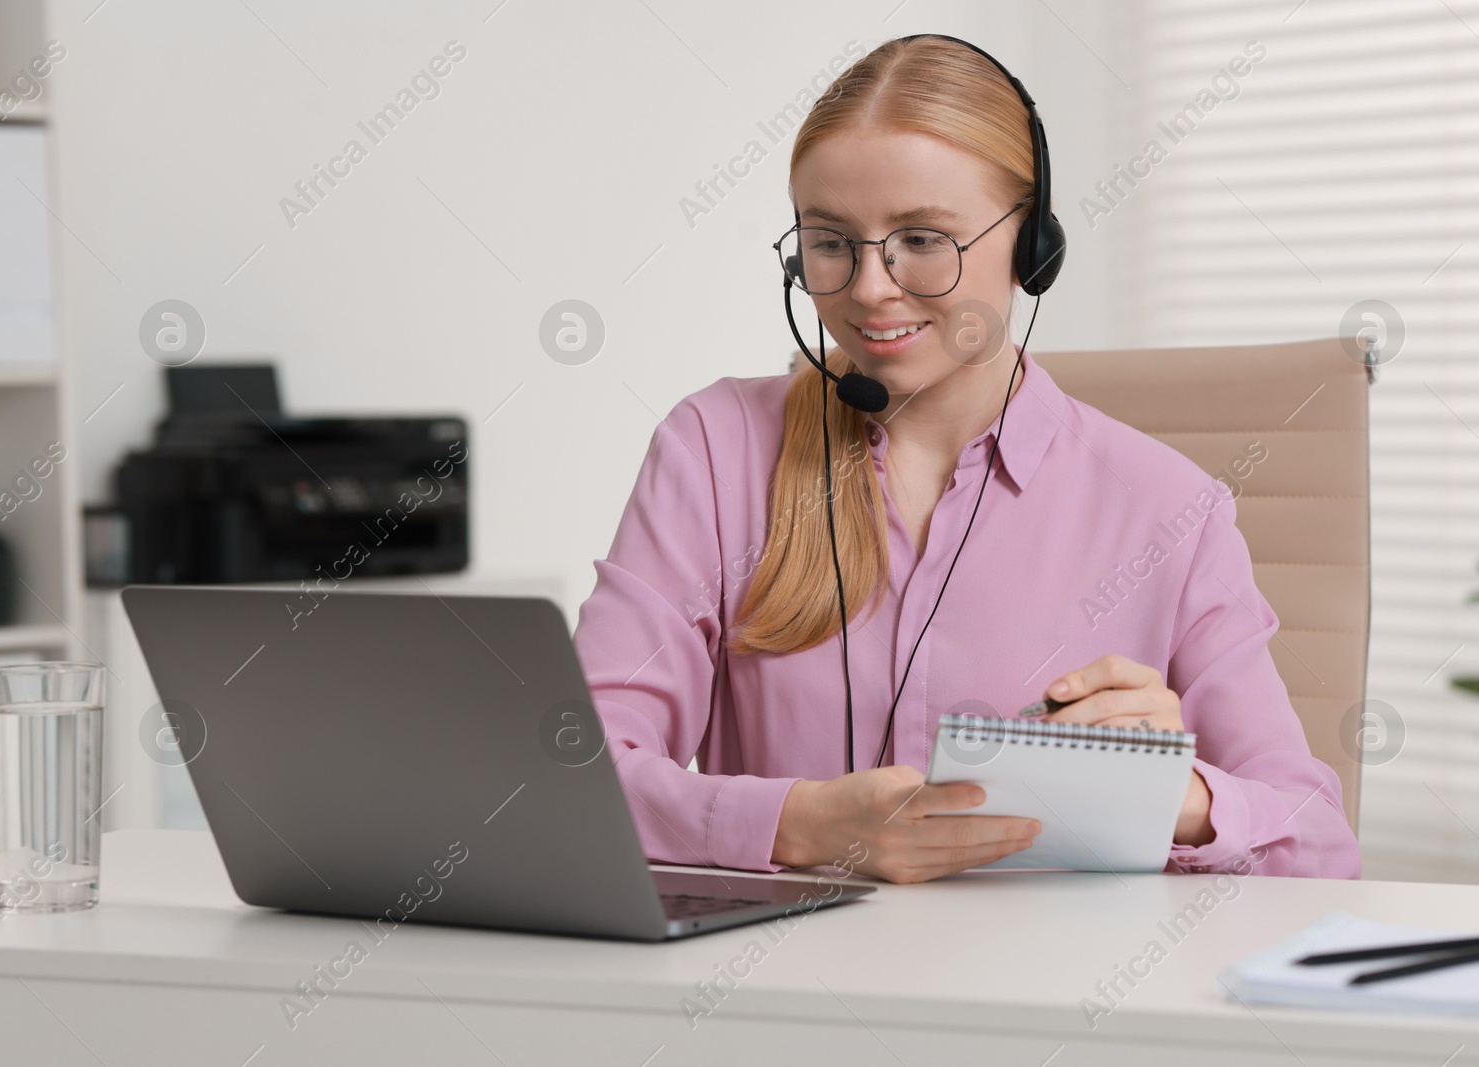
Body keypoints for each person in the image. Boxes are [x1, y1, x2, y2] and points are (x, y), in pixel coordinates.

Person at [571, 36, 1361, 884]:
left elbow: (1318, 850)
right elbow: (569, 772)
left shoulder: (1170, 510)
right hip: (775, 996)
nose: (871, 286)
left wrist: (1181, 797)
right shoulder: (717, 450)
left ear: (1033, 249)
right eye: (831, 240)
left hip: (1040, 1005)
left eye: (921, 238)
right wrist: (794, 824)